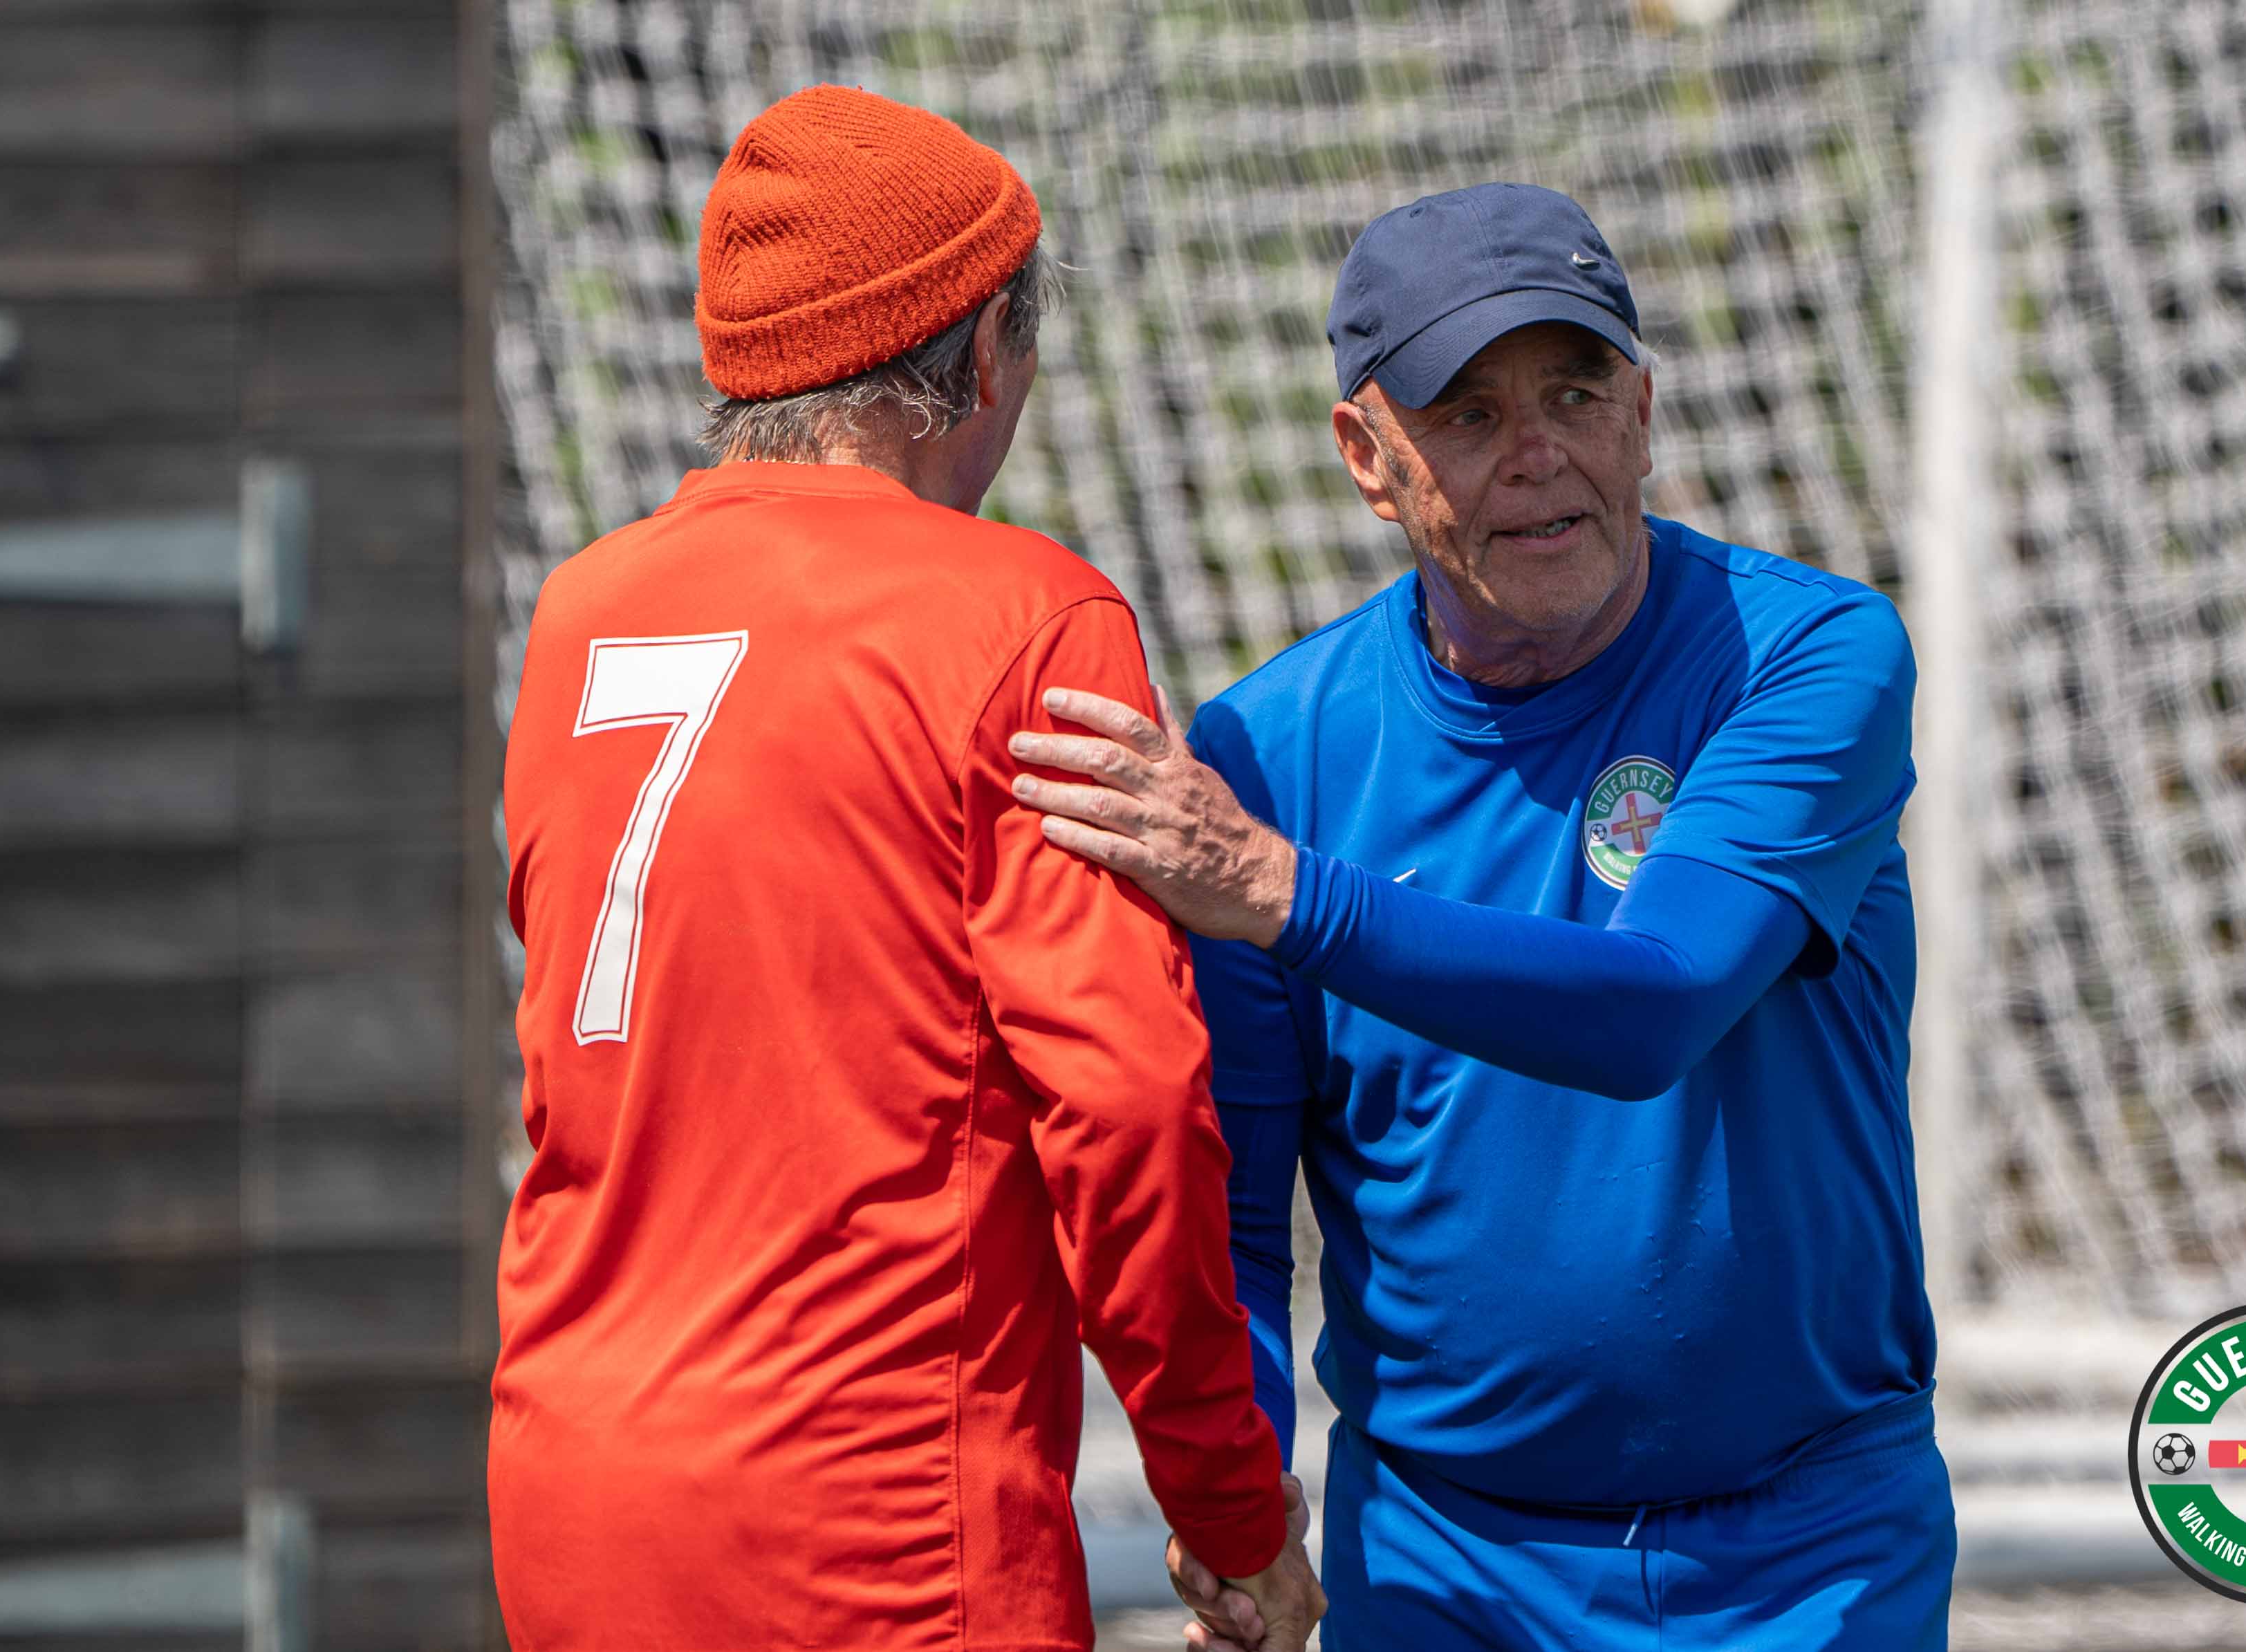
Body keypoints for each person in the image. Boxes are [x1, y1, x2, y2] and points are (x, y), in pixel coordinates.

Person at [1008, 183, 1954, 1650]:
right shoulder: (1268, 754)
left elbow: (1657, 997)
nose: (1536, 455)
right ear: (1366, 458)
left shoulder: (1806, 653)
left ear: (1642, 412)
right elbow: (1239, 1220)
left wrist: (1280, 891)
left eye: (1575, 393)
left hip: (1803, 1549)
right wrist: (1241, 1515)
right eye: (1467, 414)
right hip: (1441, 1565)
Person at [490, 85, 1324, 1652]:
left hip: (570, 1488)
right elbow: (1129, 1115)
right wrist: (1230, 1509)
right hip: (868, 1526)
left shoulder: (581, 615)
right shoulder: (1020, 617)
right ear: (987, 347)